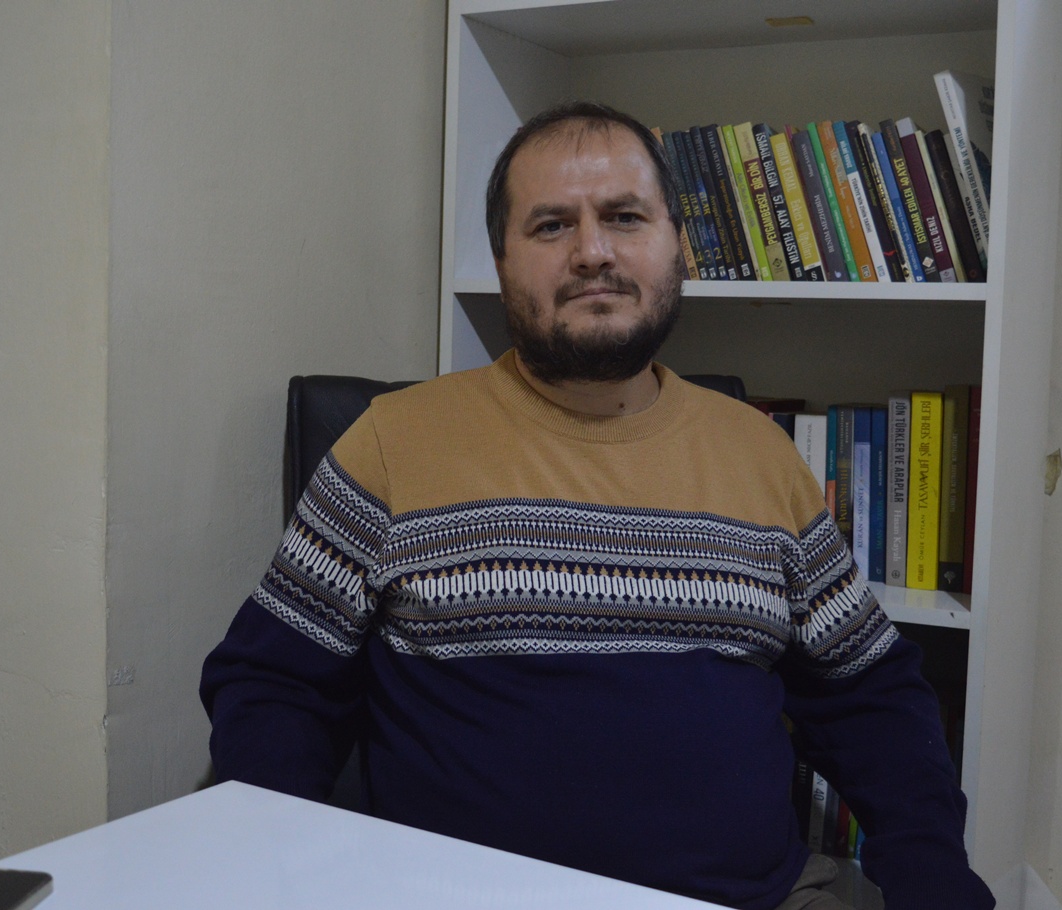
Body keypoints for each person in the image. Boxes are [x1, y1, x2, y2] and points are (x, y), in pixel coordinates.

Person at [200, 101, 994, 910]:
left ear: (676, 245)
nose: (592, 252)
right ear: (503, 261)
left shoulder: (761, 454)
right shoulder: (390, 444)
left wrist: (933, 876)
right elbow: (274, 686)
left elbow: (869, 693)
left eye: (624, 217)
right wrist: (280, 871)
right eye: (551, 226)